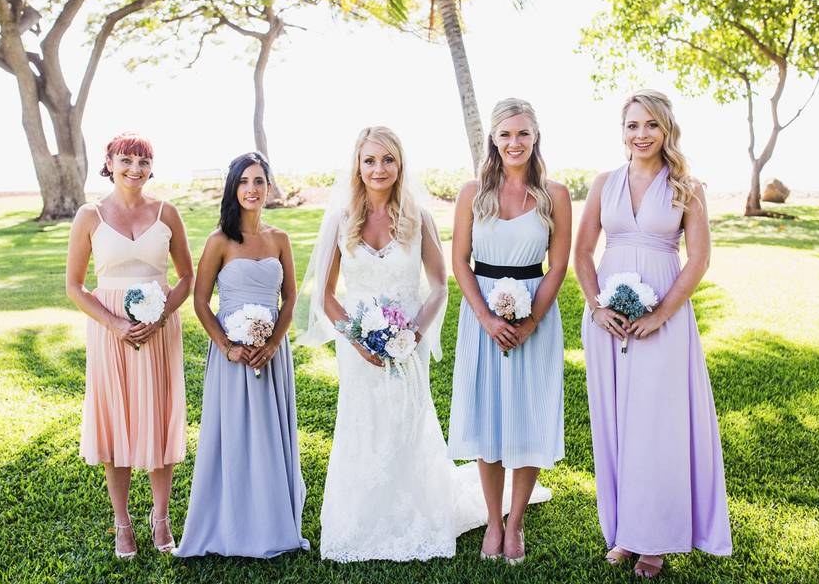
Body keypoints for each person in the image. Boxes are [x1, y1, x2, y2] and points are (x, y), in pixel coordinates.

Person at [297, 126, 546, 562]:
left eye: (387, 160)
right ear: (358, 165)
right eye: (370, 160)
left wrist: (412, 333)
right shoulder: (340, 220)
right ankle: (362, 520)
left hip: (406, 344)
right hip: (357, 349)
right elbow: (325, 296)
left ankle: (418, 513)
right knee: (363, 427)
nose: (379, 169)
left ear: (400, 164)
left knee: (408, 425)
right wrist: (356, 340)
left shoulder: (419, 218)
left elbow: (439, 287)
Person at [574, 90, 732, 578]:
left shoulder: (688, 187)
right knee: (616, 425)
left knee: (656, 427)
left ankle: (655, 538)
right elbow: (582, 253)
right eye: (631, 125)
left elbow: (699, 259)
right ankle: (625, 532)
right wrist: (597, 307)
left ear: (666, 129)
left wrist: (661, 314)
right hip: (608, 321)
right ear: (621, 132)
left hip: (664, 321)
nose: (640, 134)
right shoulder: (604, 184)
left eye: (650, 125)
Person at [447, 98, 571, 564]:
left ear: (535, 136)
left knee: (529, 414)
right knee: (488, 415)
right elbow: (460, 262)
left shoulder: (554, 195)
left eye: (522, 133)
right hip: (482, 319)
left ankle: (516, 522)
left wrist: (533, 320)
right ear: (493, 140)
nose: (514, 142)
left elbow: (558, 264)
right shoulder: (472, 193)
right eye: (505, 134)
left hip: (535, 316)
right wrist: (486, 318)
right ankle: (493, 521)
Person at [172, 152, 309, 558]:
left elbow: (289, 299)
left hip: (272, 355)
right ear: (234, 188)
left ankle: (273, 521)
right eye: (245, 181)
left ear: (268, 187)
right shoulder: (218, 241)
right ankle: (227, 520)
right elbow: (199, 302)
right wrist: (228, 348)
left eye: (259, 181)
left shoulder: (280, 239)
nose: (252, 189)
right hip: (230, 359)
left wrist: (272, 344)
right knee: (231, 434)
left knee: (270, 433)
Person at [65, 132, 193, 558]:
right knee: (116, 421)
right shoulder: (89, 216)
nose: (134, 169)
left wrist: (160, 316)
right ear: (110, 162)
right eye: (126, 160)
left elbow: (187, 278)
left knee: (158, 420)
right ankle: (122, 523)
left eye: (143, 162)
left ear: (151, 167)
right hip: (111, 333)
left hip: (159, 332)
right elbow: (75, 286)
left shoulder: (167, 212)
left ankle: (161, 519)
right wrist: (115, 323)